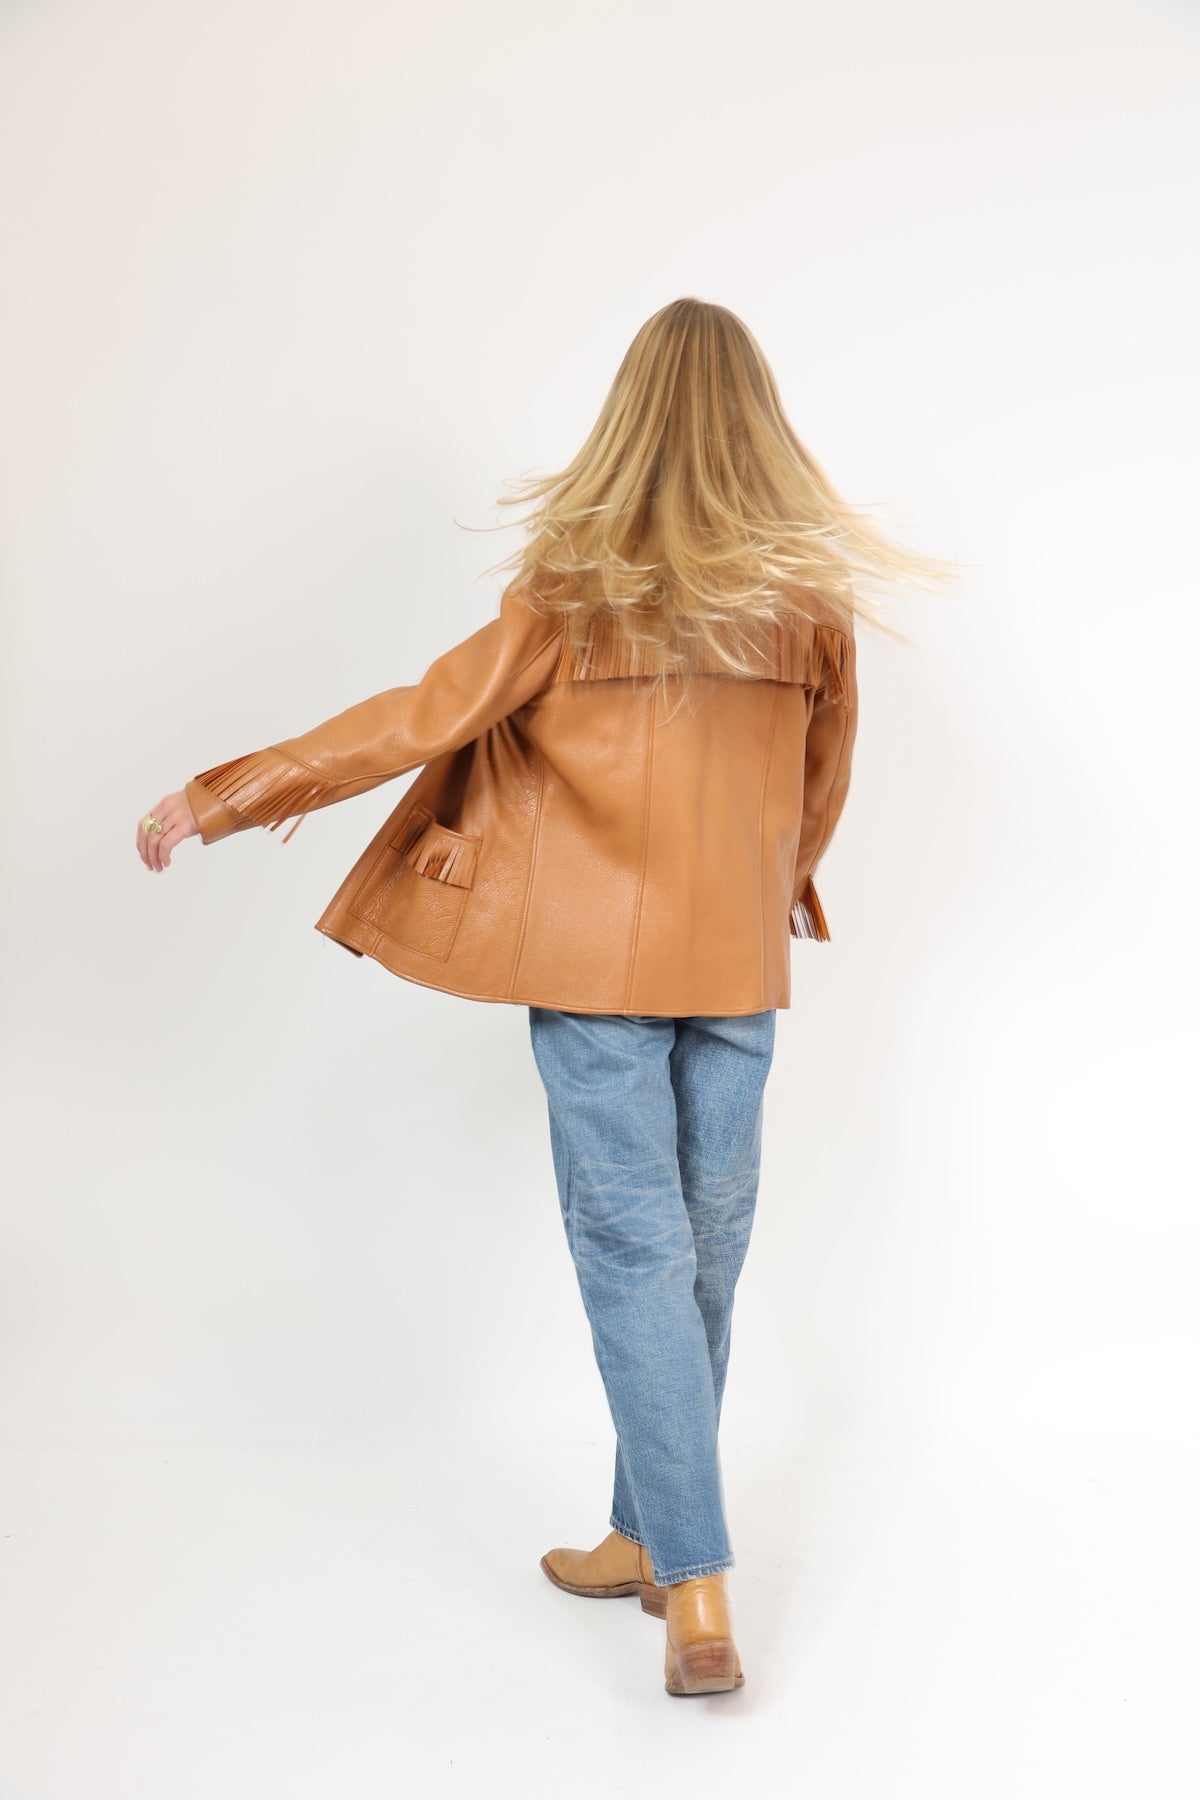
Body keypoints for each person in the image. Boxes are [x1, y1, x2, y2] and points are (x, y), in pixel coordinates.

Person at [135, 297, 957, 1697]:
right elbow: (819, 797)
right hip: (738, 966)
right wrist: (766, 898)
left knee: (637, 1253)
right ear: (761, 428)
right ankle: (646, 1538)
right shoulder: (808, 611)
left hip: (593, 971)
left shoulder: (571, 595)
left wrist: (226, 796)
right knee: (702, 1256)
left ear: (627, 421)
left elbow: (417, 719)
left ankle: (696, 1584)